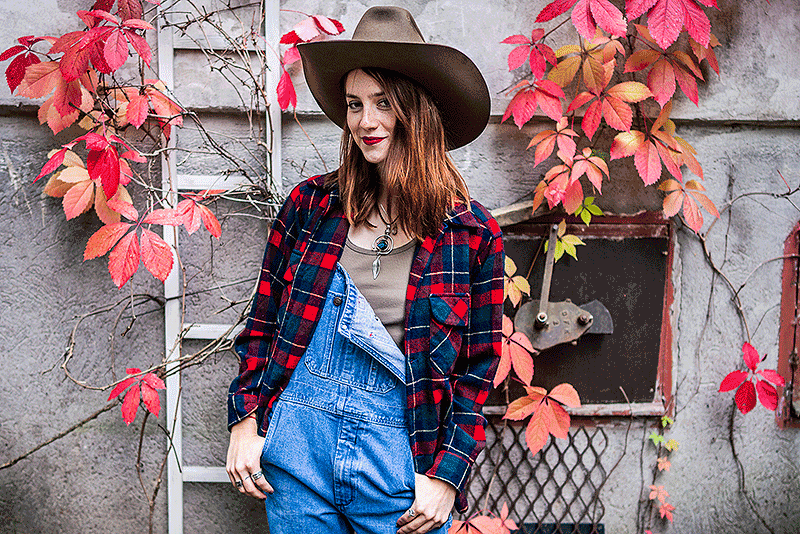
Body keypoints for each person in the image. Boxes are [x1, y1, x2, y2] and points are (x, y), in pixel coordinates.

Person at [225, 6, 503, 534]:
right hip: (296, 461)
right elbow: (261, 323)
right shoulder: (310, 207)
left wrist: (447, 475)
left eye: (382, 103)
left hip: (397, 465)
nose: (365, 122)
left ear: (416, 111)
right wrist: (244, 420)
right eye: (354, 105)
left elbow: (477, 371)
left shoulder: (472, 237)